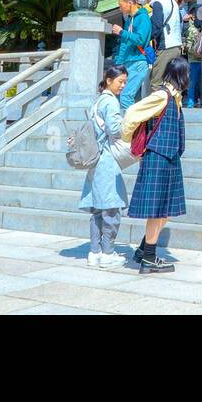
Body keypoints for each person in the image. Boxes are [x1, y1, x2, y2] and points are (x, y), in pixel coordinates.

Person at [125, 56, 188, 273]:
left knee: (166, 210)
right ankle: (149, 258)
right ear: (181, 74)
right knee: (158, 210)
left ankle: (144, 250)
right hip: (158, 157)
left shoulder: (175, 97)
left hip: (169, 158)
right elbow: (132, 113)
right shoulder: (162, 95)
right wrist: (127, 140)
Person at [79, 66, 133, 268]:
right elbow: (115, 129)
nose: (123, 85)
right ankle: (108, 253)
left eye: (125, 82)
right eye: (121, 81)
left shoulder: (98, 101)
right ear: (109, 80)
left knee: (97, 210)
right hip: (106, 159)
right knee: (111, 208)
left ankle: (95, 251)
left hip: (95, 160)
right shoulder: (110, 101)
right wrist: (130, 120)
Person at [112, 0, 151, 111]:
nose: (120, 8)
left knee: (125, 97)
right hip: (128, 63)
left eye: (120, 5)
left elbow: (140, 39)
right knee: (125, 97)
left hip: (138, 62)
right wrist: (119, 62)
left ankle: (132, 128)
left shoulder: (143, 18)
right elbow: (125, 43)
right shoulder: (129, 19)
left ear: (129, 3)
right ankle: (131, 127)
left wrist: (121, 32)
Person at [147, 0, 183, 94]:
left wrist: (148, 38)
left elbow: (156, 26)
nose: (147, 1)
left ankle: (159, 111)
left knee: (156, 82)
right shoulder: (173, 3)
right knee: (172, 84)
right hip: (177, 47)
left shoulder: (159, 3)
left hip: (166, 47)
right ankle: (173, 109)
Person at [179, 0, 200, 109]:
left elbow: (184, 33)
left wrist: (185, 22)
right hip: (201, 54)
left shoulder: (188, 20)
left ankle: (191, 100)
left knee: (192, 78)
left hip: (191, 54)